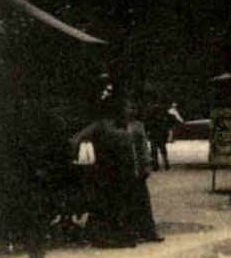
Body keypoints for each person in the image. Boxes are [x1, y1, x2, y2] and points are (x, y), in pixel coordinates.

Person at [70, 94, 137, 248]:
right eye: (126, 109)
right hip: (117, 173)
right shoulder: (118, 128)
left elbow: (75, 140)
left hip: (107, 172)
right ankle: (119, 237)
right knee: (116, 205)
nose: (129, 111)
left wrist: (76, 157)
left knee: (107, 205)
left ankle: (107, 237)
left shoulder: (100, 126)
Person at [124, 101, 164, 242]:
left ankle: (147, 231)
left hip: (138, 169)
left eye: (133, 107)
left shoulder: (137, 126)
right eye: (129, 107)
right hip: (128, 168)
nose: (131, 110)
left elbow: (143, 148)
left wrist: (147, 165)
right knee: (133, 201)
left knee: (142, 201)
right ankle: (138, 231)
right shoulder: (123, 125)